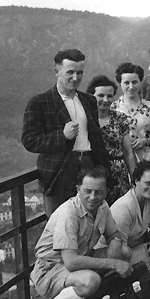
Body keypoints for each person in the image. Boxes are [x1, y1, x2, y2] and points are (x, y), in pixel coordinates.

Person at [30, 166, 131, 299]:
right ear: (78, 189)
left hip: (80, 257)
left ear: (105, 192)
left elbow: (114, 233)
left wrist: (115, 241)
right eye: (88, 191)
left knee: (124, 252)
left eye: (98, 192)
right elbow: (71, 262)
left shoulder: (103, 207)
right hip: (51, 268)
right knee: (91, 280)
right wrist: (112, 263)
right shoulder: (68, 214)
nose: (93, 197)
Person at [22, 49, 109, 216]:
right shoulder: (39, 102)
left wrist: (103, 169)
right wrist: (61, 136)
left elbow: (96, 138)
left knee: (90, 221)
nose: (75, 78)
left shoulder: (89, 100)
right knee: (59, 224)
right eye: (70, 72)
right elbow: (29, 140)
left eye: (80, 72)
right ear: (57, 71)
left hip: (89, 167)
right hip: (59, 171)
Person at [109, 161, 150, 299]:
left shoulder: (149, 201)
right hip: (114, 254)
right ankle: (136, 292)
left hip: (131, 247)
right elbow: (118, 249)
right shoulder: (124, 207)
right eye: (148, 183)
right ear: (136, 181)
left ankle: (146, 289)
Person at [86, 75, 136, 206]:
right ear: (92, 96)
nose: (105, 100)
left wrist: (135, 176)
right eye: (100, 95)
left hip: (119, 174)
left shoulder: (120, 118)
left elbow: (127, 151)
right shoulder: (86, 118)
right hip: (94, 173)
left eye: (109, 96)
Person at [110, 62, 150, 164]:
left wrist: (145, 141)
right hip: (121, 160)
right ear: (120, 83)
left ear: (140, 82)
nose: (131, 87)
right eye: (126, 83)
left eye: (134, 82)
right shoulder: (113, 108)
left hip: (146, 159)